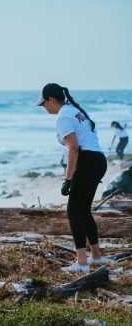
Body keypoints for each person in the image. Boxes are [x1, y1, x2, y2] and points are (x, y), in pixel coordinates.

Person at [38, 83, 107, 272]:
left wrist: (68, 179)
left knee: (73, 212)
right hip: (98, 161)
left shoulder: (63, 116)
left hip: (88, 161)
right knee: (83, 210)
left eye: (44, 103)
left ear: (51, 100)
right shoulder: (73, 110)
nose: (44, 107)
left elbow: (74, 148)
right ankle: (96, 257)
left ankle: (82, 264)